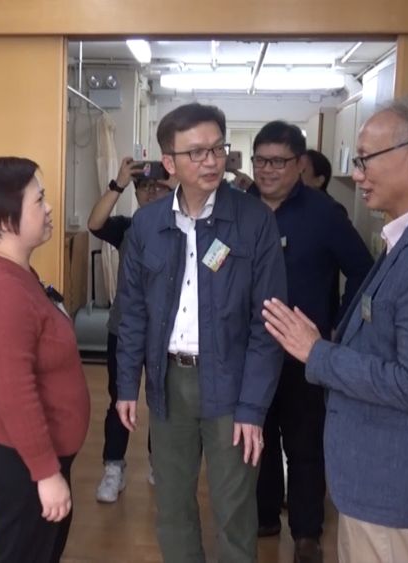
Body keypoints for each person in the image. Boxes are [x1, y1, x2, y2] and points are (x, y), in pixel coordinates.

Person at [262, 96, 408, 563]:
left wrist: (317, 351)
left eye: (366, 160)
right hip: (373, 473)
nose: (357, 174)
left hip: (390, 477)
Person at [114, 103, 287, 562]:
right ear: (169, 162)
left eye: (217, 149)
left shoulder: (253, 221)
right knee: (172, 502)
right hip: (169, 380)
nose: (211, 161)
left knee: (233, 507)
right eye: (196, 153)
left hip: (232, 383)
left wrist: (253, 407)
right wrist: (127, 383)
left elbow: (267, 323)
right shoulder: (147, 225)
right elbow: (132, 312)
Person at [246, 121, 373, 562]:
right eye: (259, 160)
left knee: (304, 444)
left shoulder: (324, 214)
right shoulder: (240, 210)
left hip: (306, 356)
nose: (266, 170)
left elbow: (364, 270)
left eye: (277, 162)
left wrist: (340, 325)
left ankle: (305, 532)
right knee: (254, 438)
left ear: (299, 165)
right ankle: (262, 516)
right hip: (251, 352)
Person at [0, 156, 91, 563]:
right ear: (4, 219)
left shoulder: (14, 273)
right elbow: (14, 395)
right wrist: (46, 474)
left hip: (33, 456)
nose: (49, 208)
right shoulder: (2, 290)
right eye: (40, 200)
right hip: (22, 462)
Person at [87, 156, 175, 503]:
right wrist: (118, 183)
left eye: (159, 185)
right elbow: (95, 224)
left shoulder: (182, 226)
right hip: (124, 331)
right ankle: (114, 467)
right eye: (144, 187)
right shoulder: (127, 227)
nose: (151, 192)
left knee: (162, 400)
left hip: (165, 333)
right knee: (118, 399)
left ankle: (158, 461)